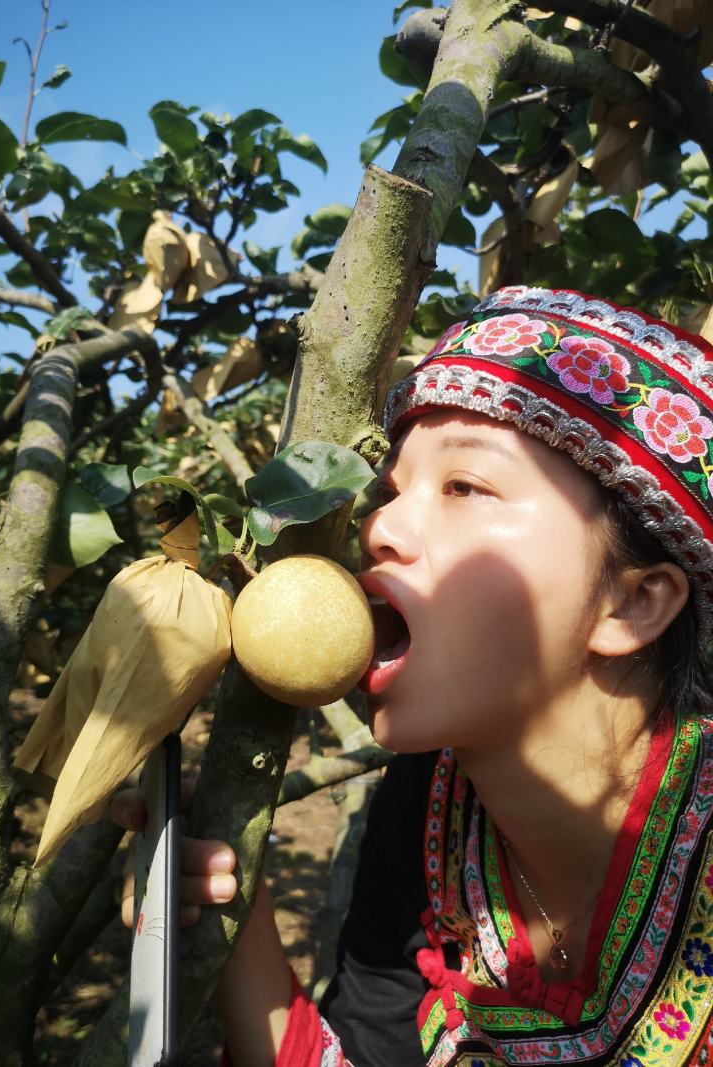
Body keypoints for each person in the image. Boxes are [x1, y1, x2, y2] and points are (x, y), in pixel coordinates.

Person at [115, 286, 713, 1066]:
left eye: (464, 486)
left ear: (633, 603)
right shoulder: (430, 809)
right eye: (392, 491)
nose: (378, 527)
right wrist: (236, 902)